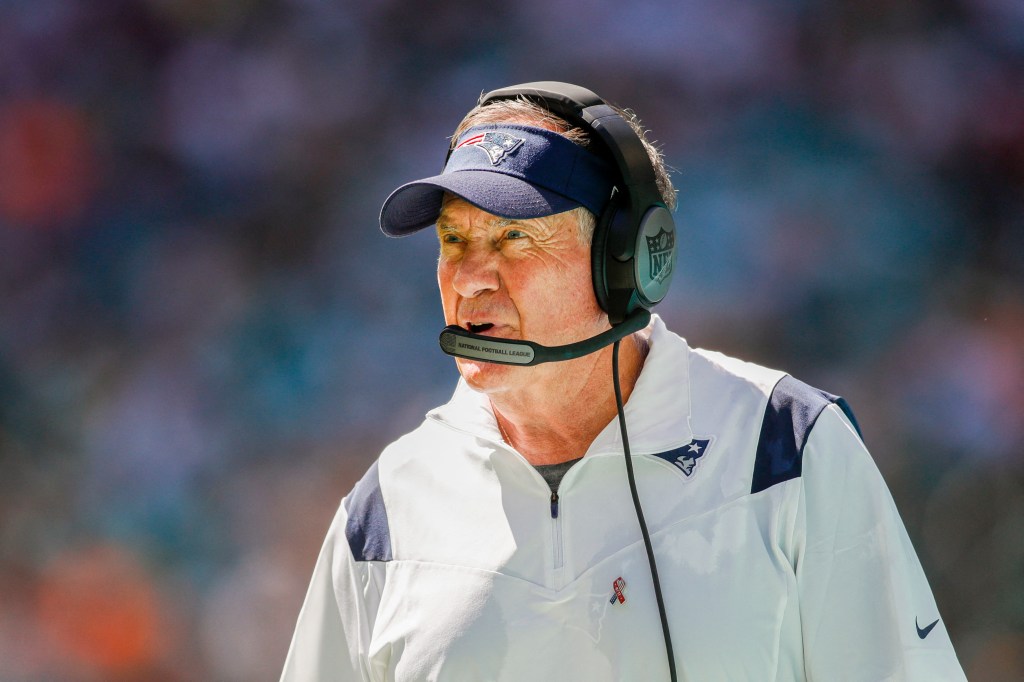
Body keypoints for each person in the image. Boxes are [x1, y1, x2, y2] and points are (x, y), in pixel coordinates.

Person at [280, 82, 966, 681]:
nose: (471, 277)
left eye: (514, 238)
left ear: (629, 262)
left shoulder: (785, 447)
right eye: (454, 240)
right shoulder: (385, 508)